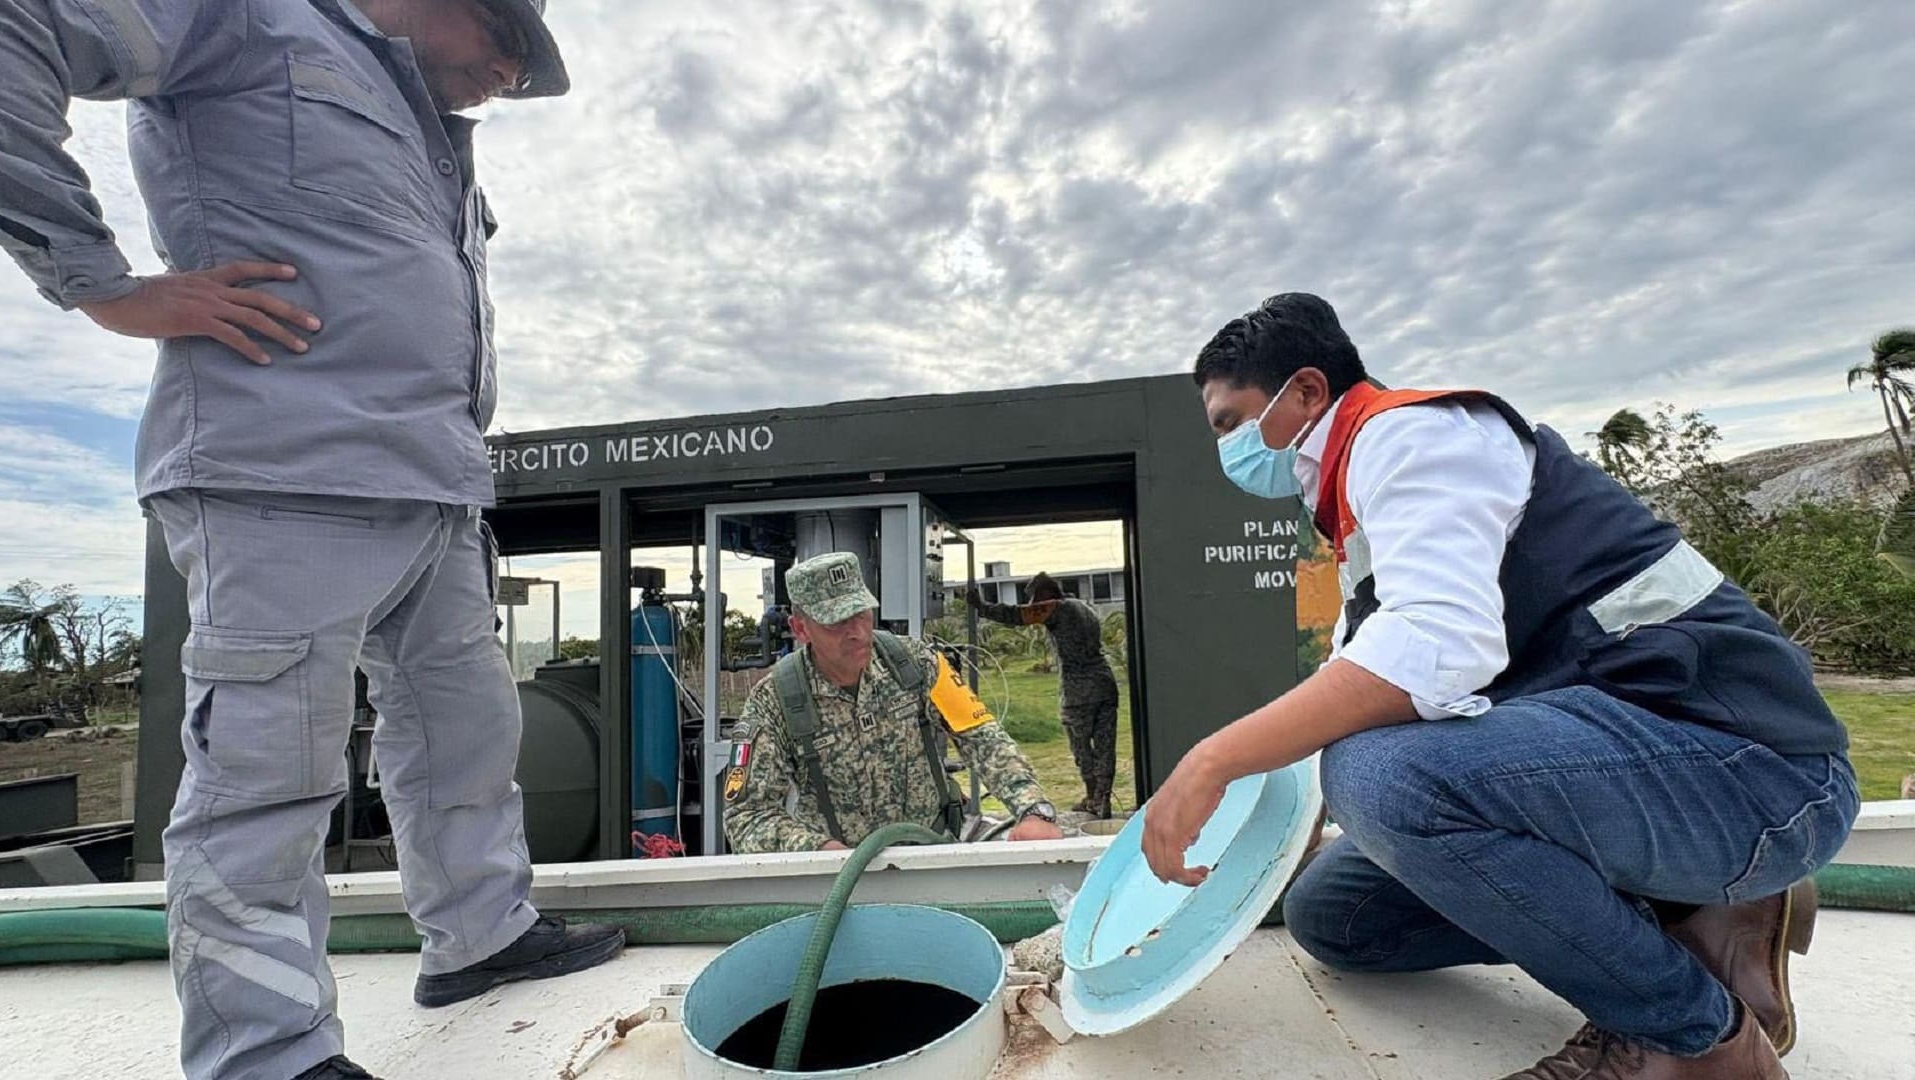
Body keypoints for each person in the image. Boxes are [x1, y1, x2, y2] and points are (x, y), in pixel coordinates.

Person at [0, 2, 623, 1078]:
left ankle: (480, 935)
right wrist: (104, 288)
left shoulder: (432, 133)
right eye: (506, 50)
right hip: (282, 478)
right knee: (266, 776)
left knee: (466, 738)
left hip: (434, 490)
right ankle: (267, 1053)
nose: (506, 81)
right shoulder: (248, 18)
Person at [1143, 293, 1856, 1079]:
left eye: (1233, 422)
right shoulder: (1360, 502)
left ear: (1308, 392)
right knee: (1334, 915)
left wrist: (1210, 761)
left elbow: (1433, 649)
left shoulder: (1412, 437)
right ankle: (1693, 909)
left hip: (1752, 775)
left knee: (1381, 779)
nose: (1232, 450)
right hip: (1641, 773)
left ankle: (1688, 1038)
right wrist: (1274, 843)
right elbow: (1353, 685)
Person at [724, 552, 1067, 854]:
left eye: (861, 613)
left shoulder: (916, 662)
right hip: (838, 878)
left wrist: (1034, 810)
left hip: (931, 854)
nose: (857, 631)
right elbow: (747, 815)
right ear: (800, 628)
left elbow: (983, 738)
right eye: (836, 621)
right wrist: (818, 849)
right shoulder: (776, 699)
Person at [968, 572, 1121, 818]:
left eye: (1034, 599)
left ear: (1046, 595)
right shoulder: (1083, 607)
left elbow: (1017, 615)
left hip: (1079, 692)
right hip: (1105, 684)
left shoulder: (1060, 609)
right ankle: (1101, 799)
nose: (1032, 606)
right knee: (1105, 746)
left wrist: (982, 607)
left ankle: (1094, 797)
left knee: (1082, 748)